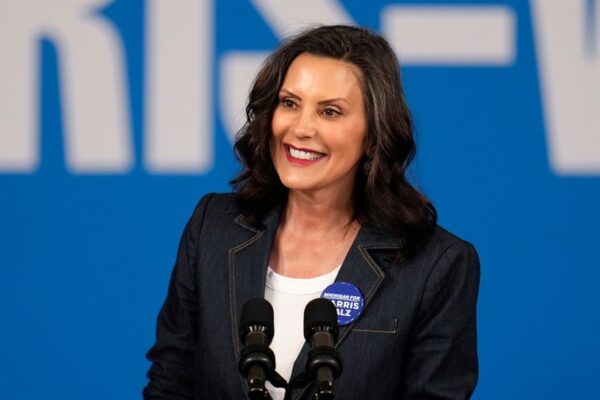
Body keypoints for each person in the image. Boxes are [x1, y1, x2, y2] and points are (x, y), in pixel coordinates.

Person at [143, 25, 480, 400]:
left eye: (330, 112)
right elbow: (169, 383)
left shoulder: (435, 265)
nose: (301, 128)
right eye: (289, 103)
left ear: (373, 136)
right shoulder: (214, 227)